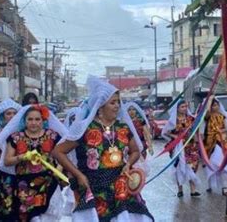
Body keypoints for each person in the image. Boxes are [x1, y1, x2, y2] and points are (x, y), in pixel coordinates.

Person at [52, 76, 154, 221]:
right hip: (94, 187)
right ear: (100, 106)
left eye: (118, 102)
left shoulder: (122, 128)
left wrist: (128, 164)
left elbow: (136, 151)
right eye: (112, 102)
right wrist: (78, 175)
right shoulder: (85, 129)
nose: (117, 106)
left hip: (120, 186)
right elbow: (58, 152)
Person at [0, 104, 66, 221]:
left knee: (50, 217)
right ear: (25, 121)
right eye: (30, 119)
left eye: (37, 119)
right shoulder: (16, 137)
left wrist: (59, 168)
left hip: (49, 184)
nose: (33, 122)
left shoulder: (52, 136)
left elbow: (62, 155)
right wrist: (23, 157)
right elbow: (7, 161)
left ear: (43, 120)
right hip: (24, 187)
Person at [0, 98, 21, 220]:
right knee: (2, 200)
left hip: (18, 167)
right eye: (8, 113)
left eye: (14, 113)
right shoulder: (0, 130)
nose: (12, 116)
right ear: (3, 116)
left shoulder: (21, 130)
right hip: (1, 169)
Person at [161, 100, 201, 198]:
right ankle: (180, 190)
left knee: (192, 166)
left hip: (191, 146)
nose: (184, 108)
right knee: (179, 167)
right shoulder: (173, 120)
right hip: (179, 147)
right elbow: (165, 132)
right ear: (177, 108)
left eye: (185, 106)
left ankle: (193, 190)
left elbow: (196, 129)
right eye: (182, 107)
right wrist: (174, 136)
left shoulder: (191, 119)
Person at [202, 96, 227, 195]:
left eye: (217, 105)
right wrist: (209, 100)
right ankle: (210, 184)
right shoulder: (208, 116)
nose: (215, 107)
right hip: (210, 143)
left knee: (222, 163)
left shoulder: (223, 117)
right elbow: (206, 112)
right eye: (213, 105)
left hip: (221, 142)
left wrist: (221, 131)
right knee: (211, 163)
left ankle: (225, 187)